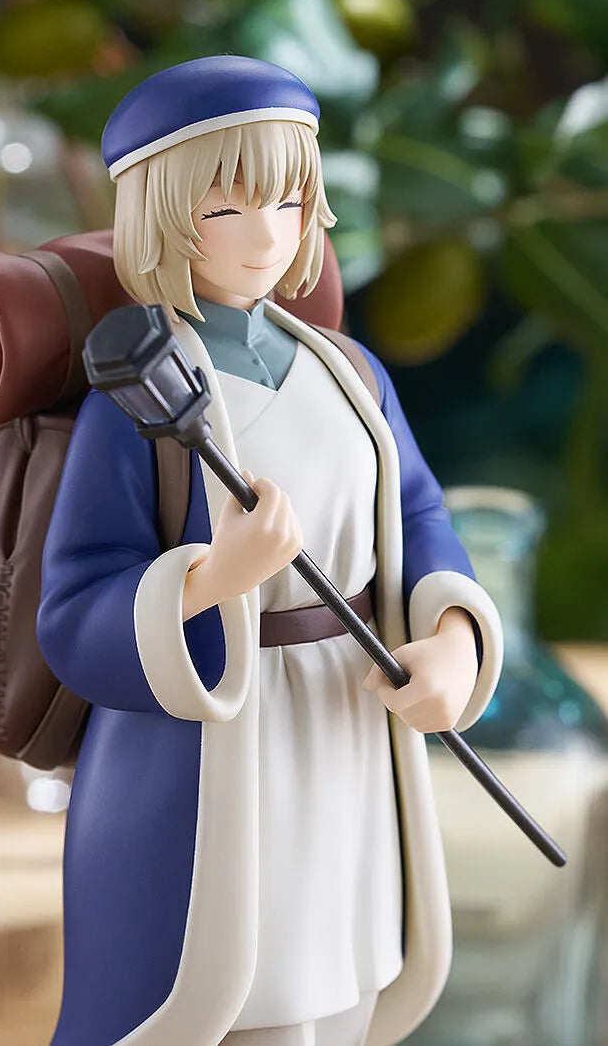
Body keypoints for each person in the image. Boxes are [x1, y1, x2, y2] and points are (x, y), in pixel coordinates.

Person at [36, 55, 504, 1046]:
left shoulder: (350, 373)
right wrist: (215, 577)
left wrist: (454, 639)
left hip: (351, 727)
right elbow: (74, 611)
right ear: (163, 214)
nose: (267, 235)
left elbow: (418, 516)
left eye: (289, 202)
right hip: (214, 751)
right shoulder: (139, 398)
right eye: (226, 209)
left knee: (347, 974)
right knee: (241, 988)